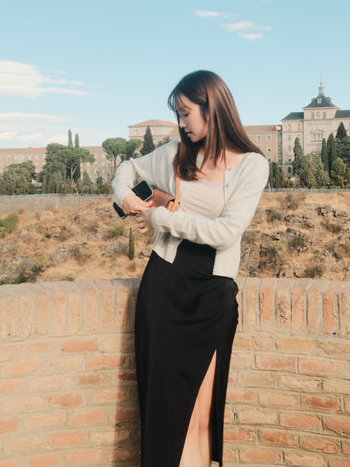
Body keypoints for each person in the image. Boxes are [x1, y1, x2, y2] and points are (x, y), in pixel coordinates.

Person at [112, 70, 269, 467]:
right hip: (164, 289)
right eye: (177, 115)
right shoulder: (174, 153)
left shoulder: (252, 165)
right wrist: (124, 195)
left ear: (212, 108)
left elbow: (226, 233)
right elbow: (127, 168)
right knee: (165, 414)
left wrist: (162, 218)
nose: (181, 123)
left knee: (200, 416)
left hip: (212, 297)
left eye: (185, 113)